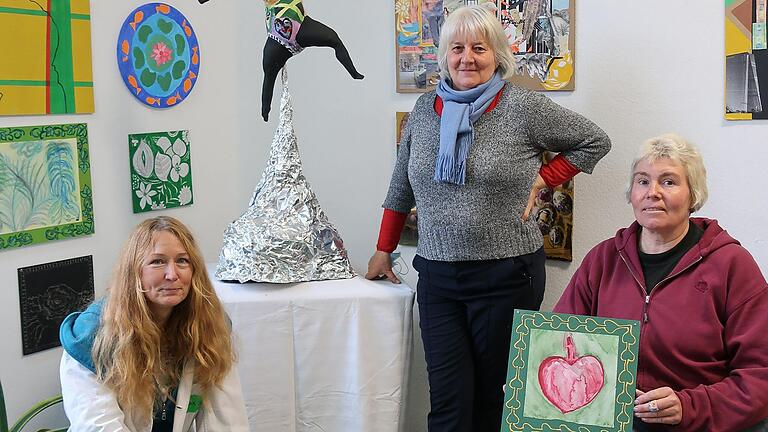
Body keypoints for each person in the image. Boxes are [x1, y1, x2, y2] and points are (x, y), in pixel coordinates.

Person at [365, 5, 611, 431]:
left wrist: (545, 177)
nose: (467, 58)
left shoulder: (524, 107)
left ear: (497, 54)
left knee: (491, 400)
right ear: (444, 55)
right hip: (439, 278)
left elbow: (594, 140)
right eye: (457, 48)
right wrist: (383, 250)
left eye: (479, 48)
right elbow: (401, 186)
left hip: (507, 276)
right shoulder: (424, 111)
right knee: (447, 402)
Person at [554, 134, 768, 432]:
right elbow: (558, 340)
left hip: (696, 424)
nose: (652, 192)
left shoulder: (732, 265)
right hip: (608, 421)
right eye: (643, 181)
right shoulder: (602, 260)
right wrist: (530, 384)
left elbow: (760, 375)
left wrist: (689, 406)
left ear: (693, 195)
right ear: (632, 194)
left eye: (668, 182)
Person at [59, 216, 249, 431]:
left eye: (182, 261)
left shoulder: (208, 325)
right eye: (157, 262)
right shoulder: (91, 336)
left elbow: (228, 420)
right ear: (134, 271)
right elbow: (98, 426)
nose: (172, 274)